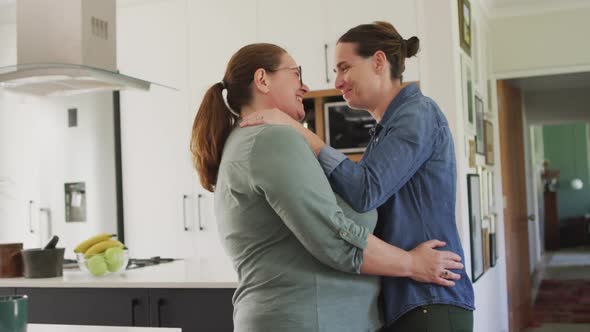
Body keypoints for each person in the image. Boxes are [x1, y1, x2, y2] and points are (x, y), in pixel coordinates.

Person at [191, 43, 464, 332]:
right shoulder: (271, 140)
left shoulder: (250, 140)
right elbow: (335, 238)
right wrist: (413, 264)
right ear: (262, 80)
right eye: (296, 74)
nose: (305, 86)